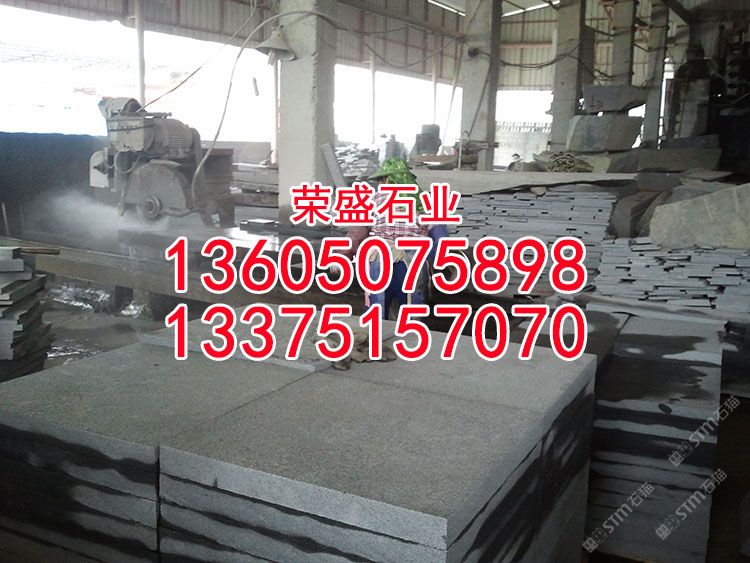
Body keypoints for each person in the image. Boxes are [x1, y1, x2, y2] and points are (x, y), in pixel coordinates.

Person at [344, 158, 448, 319]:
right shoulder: (424, 202)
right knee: (412, 315)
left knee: (377, 311)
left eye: (381, 180)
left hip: (381, 261)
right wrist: (437, 264)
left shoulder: (374, 200)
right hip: (413, 264)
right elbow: (440, 238)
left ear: (387, 180)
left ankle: (377, 332)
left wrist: (345, 255)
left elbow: (356, 234)